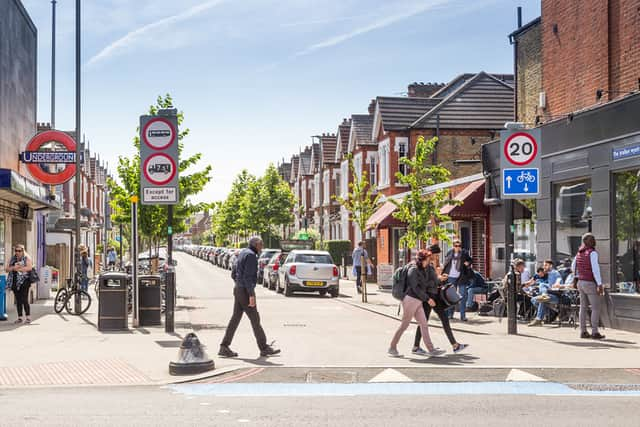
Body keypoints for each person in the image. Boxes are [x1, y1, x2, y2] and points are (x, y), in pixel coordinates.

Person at [219, 237, 281, 358]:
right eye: (261, 244)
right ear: (256, 244)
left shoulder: (242, 253)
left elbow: (233, 273)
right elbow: (248, 277)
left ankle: (224, 347)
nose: (262, 247)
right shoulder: (252, 256)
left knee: (235, 319)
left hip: (238, 289)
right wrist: (251, 295)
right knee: (255, 319)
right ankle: (264, 348)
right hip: (245, 292)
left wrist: (239, 285)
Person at [388, 249, 445, 358]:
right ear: (422, 259)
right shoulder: (413, 270)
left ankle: (431, 349)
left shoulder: (423, 269)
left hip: (418, 301)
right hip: (410, 300)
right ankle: (392, 347)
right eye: (427, 259)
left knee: (424, 324)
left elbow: (426, 284)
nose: (429, 261)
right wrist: (428, 299)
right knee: (404, 325)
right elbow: (415, 288)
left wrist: (438, 279)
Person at [412, 245, 468, 355]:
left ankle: (454, 345)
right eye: (436, 255)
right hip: (430, 297)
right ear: (431, 253)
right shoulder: (427, 265)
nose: (437, 257)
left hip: (433, 296)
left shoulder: (430, 265)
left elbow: (431, 280)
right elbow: (426, 282)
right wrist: (439, 278)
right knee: (428, 321)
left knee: (430, 321)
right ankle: (416, 346)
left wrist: (439, 277)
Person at [572, 233, 605, 340]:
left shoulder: (579, 253)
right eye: (592, 239)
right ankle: (595, 332)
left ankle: (583, 331)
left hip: (580, 282)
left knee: (583, 307)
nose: (594, 241)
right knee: (596, 307)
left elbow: (573, 267)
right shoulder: (592, 253)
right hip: (590, 282)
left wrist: (576, 277)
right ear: (587, 241)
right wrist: (599, 284)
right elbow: (595, 270)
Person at [442, 239, 473, 321]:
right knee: (452, 296)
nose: (458, 247)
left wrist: (468, 263)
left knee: (462, 296)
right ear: (453, 246)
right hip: (451, 277)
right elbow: (446, 263)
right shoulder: (449, 253)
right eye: (456, 246)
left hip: (461, 277)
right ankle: (450, 314)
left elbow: (470, 260)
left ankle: (463, 316)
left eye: (459, 246)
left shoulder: (464, 253)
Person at [5, 244, 33, 324]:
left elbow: (29, 268)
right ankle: (20, 317)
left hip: (24, 281)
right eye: (16, 251)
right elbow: (7, 269)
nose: (17, 252)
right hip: (14, 281)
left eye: (19, 251)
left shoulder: (27, 258)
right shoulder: (12, 258)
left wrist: (19, 269)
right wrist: (13, 268)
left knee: (24, 299)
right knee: (18, 300)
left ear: (23, 251)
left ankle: (28, 317)